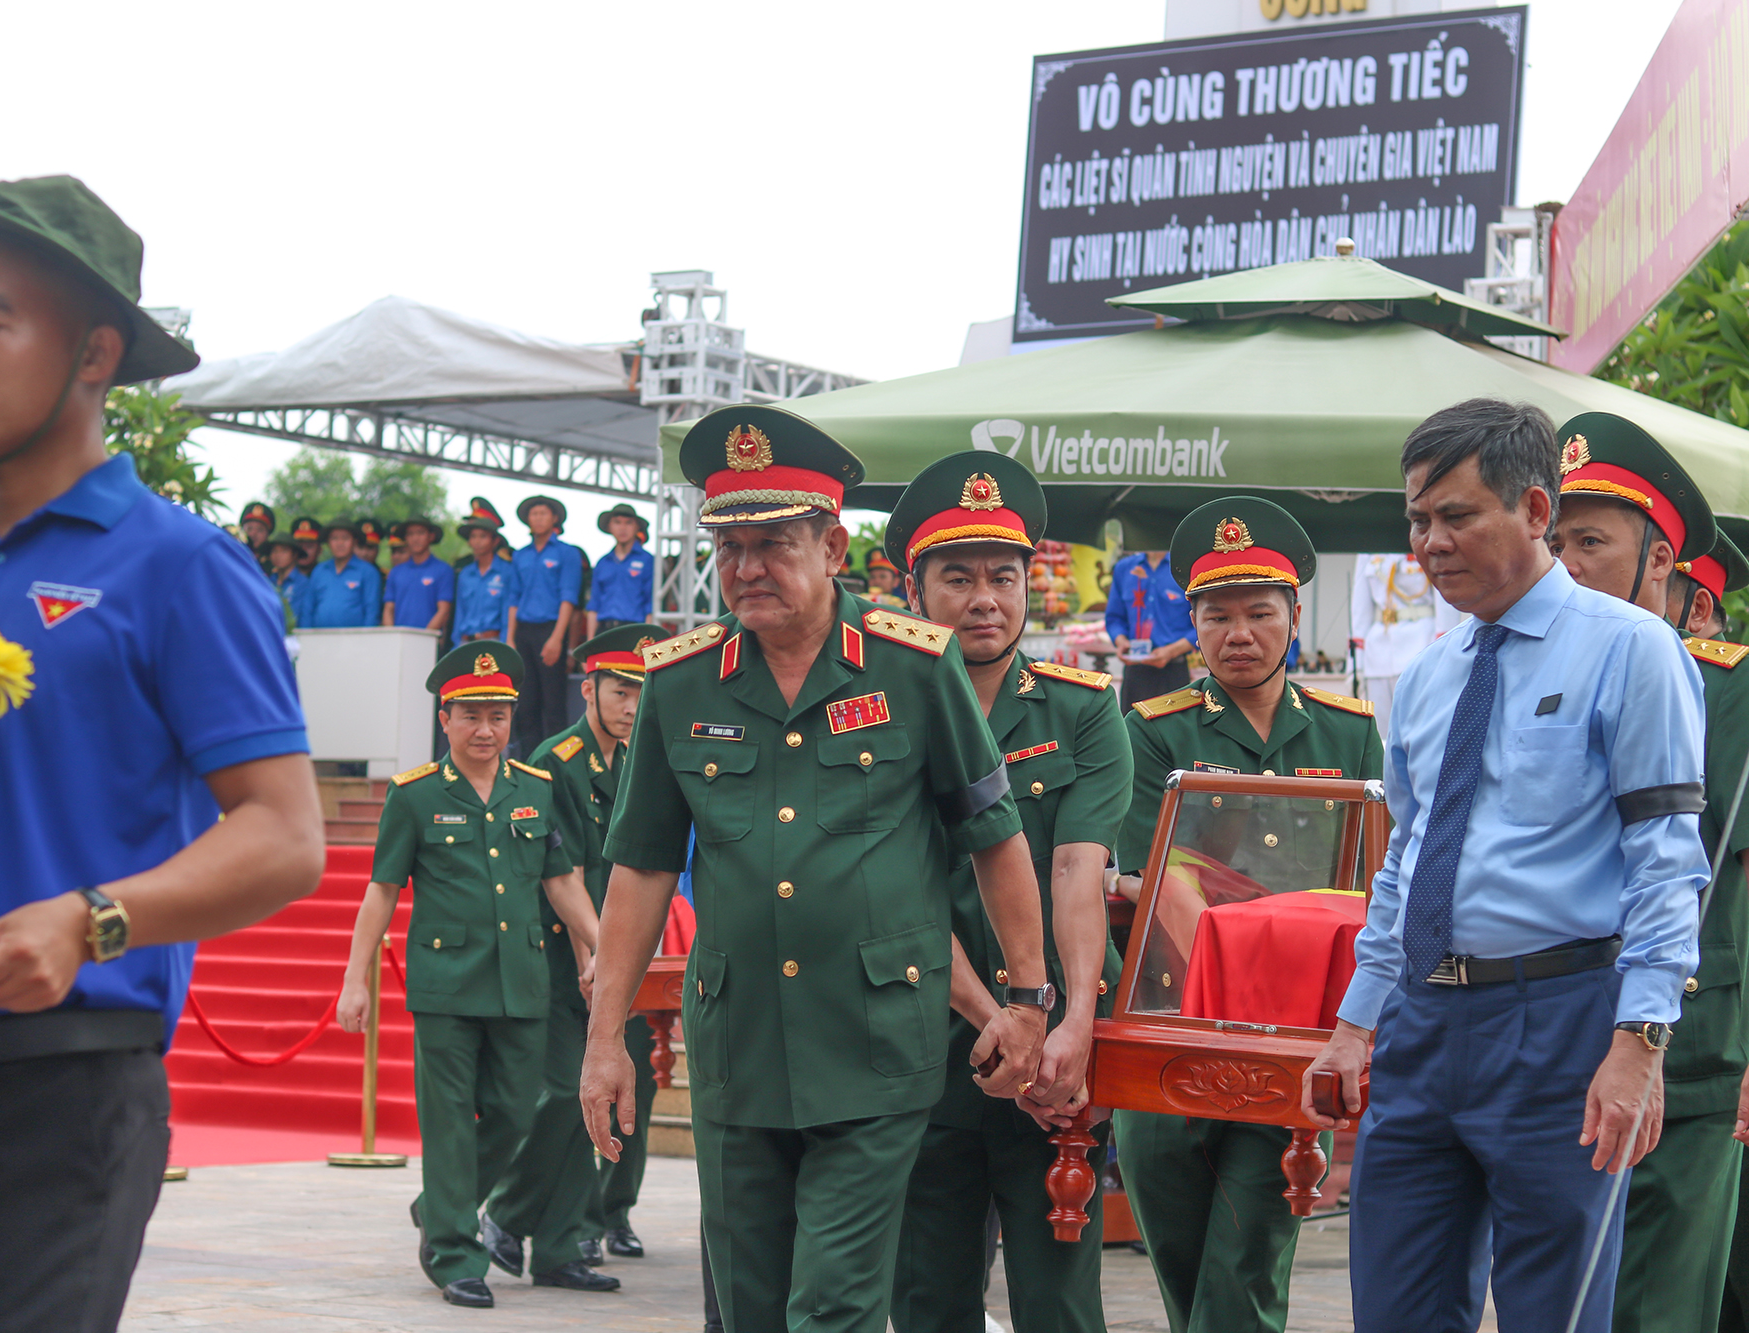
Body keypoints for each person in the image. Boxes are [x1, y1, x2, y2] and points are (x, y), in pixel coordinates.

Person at [0, 174, 324, 1333]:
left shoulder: (181, 568)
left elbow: (284, 835)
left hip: (58, 1098)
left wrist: (90, 919)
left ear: (95, 354)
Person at [578, 403, 1054, 1333]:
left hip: (874, 1045)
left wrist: (1028, 1000)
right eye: (730, 547)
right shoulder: (679, 681)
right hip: (739, 1049)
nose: (747, 567)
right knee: (750, 1310)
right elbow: (639, 870)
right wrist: (604, 1042)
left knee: (832, 1307)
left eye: (774, 544)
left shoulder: (914, 667)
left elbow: (994, 837)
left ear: (833, 546)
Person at [1305, 398, 1709, 1333]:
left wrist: (1639, 1042)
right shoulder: (1429, 674)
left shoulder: (1631, 649)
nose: (1430, 542)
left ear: (1534, 510)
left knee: (1552, 1314)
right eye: (1418, 519)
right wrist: (1355, 1023)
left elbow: (1665, 859)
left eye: (1456, 515)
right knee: (1394, 1309)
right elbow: (1406, 862)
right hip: (1423, 1024)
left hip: (1560, 1024)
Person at [1114, 496, 1381, 1333]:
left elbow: (1375, 880)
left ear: (1294, 615)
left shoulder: (1349, 734)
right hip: (1173, 1028)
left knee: (1249, 1265)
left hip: (1294, 1037)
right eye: (1218, 615)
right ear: (1191, 624)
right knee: (1181, 1258)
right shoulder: (1152, 733)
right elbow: (1146, 877)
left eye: (1260, 612)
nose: (1240, 634)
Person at [881, 452, 1134, 1333]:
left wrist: (1070, 1026)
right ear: (913, 589)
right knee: (927, 1296)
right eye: (958, 577)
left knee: (1060, 1297)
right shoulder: (880, 713)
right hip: (920, 1038)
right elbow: (898, 889)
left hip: (1059, 1056)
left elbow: (1077, 871)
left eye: (1004, 576)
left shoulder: (1083, 709)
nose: (984, 598)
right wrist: (1001, 1022)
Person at [1541, 412, 1748, 1333]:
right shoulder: (1519, 672)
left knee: (1657, 1308)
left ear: (1660, 562)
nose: (1567, 564)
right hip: (1546, 1037)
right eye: (1556, 543)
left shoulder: (1730, 688)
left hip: (1692, 1047)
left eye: (1591, 543)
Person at [336, 642, 602, 1309]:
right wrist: (355, 978)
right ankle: (455, 1253)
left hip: (522, 982)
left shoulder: (534, 790)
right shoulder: (415, 795)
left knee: (516, 1111)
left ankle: (440, 1203)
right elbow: (381, 889)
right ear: (446, 719)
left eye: (498, 717)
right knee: (450, 1120)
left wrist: (603, 945)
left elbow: (561, 881)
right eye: (472, 716)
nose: (486, 730)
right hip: (447, 984)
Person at [482, 623, 669, 1290]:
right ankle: (504, 1212)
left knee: (626, 1084)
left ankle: (566, 1238)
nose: (631, 706)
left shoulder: (634, 760)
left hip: (613, 951)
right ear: (588, 690)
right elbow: (565, 873)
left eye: (640, 695)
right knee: (568, 1090)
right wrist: (594, 954)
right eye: (620, 692)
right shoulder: (557, 762)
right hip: (565, 952)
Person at [1349, 551, 1459, 737]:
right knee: (1379, 734)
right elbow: (1360, 608)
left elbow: (1445, 605)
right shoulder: (1368, 549)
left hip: (1421, 646)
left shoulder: (1426, 541)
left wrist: (1446, 657)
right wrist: (1355, 665)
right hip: (1378, 655)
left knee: (1420, 734)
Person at [510, 495, 585, 755]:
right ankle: (528, 762)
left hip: (551, 629)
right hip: (523, 631)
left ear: (554, 519)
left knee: (553, 704)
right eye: (534, 513)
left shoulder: (567, 553)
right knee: (525, 703)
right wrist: (510, 639)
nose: (538, 518)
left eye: (544, 513)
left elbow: (568, 598)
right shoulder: (520, 555)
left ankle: (556, 763)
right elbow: (513, 598)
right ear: (527, 520)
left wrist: (556, 639)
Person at [1106, 548, 1195, 711]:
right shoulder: (1124, 568)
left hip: (1174, 669)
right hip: (1135, 669)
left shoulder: (1186, 568)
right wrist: (1121, 641)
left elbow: (1201, 623)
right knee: (1132, 724)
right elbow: (1114, 618)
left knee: (1175, 725)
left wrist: (1172, 651)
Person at [453, 499, 518, 646]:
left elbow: (508, 610)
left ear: (495, 541)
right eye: (473, 537)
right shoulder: (465, 573)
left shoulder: (506, 571)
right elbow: (459, 612)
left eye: (483, 536)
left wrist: (506, 642)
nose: (477, 541)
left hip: (493, 641)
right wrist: (456, 642)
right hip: (465, 642)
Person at [586, 503, 654, 636]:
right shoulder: (603, 562)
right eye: (617, 522)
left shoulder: (648, 561)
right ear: (609, 527)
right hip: (604, 630)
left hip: (635, 630)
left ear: (637, 527)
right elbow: (594, 606)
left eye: (628, 523)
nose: (622, 528)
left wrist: (648, 639)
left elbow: (651, 605)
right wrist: (590, 641)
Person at [302, 519, 383, 629]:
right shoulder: (319, 570)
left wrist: (366, 637)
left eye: (345, 538)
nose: (340, 543)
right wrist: (305, 635)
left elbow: (372, 612)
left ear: (354, 542)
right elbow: (307, 609)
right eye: (334, 538)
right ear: (328, 543)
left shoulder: (368, 572)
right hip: (320, 636)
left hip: (354, 637)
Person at [384, 516, 453, 633]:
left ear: (431, 536)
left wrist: (424, 636)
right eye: (410, 534)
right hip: (399, 638)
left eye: (420, 533)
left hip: (429, 638)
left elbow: (444, 610)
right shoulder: (396, 572)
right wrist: (391, 635)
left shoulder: (443, 570)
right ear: (405, 538)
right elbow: (388, 609)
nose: (415, 538)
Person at [266, 532, 310, 628]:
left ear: (295, 555)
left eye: (284, 551)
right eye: (274, 551)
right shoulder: (269, 582)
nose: (278, 555)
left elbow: (302, 616)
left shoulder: (303, 583)